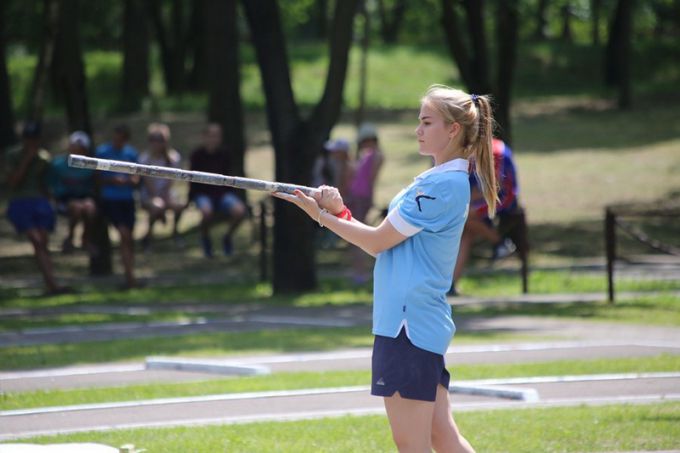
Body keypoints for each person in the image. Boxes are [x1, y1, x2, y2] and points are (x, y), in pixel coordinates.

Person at [274, 84, 496, 452]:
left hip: (407, 327)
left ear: (453, 129)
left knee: (412, 445)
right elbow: (387, 246)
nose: (418, 130)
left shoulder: (441, 186)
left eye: (427, 122)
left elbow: (377, 242)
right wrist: (339, 213)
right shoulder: (437, 181)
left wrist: (321, 217)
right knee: (444, 436)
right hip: (416, 322)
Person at [3, 122, 70, 294]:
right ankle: (52, 283)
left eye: (34, 139)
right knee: (37, 241)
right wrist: (26, 160)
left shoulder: (44, 158)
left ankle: (51, 283)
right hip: (20, 201)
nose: (31, 143)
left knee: (43, 243)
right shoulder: (12, 155)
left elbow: (47, 183)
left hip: (40, 202)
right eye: (28, 139)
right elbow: (13, 182)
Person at [452, 138, 519, 294]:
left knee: (465, 215)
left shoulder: (494, 150)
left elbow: (495, 186)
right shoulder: (470, 149)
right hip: (484, 197)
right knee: (466, 233)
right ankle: (451, 284)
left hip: (503, 198)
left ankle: (500, 243)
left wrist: (465, 198)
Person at [189, 123, 246, 258]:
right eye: (211, 135)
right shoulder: (196, 155)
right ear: (204, 137)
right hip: (203, 194)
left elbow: (229, 178)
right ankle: (205, 239)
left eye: (217, 136)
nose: (213, 139)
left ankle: (227, 237)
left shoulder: (225, 154)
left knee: (240, 211)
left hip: (222, 194)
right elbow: (192, 181)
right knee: (206, 212)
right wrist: (190, 198)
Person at [96, 124, 139, 289]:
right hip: (110, 199)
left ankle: (130, 275)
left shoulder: (131, 153)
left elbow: (137, 179)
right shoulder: (102, 152)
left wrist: (127, 180)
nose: (117, 141)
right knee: (124, 234)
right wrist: (112, 180)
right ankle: (129, 277)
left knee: (128, 239)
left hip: (127, 199)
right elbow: (97, 178)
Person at [346, 123, 384, 283]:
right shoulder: (368, 155)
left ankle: (361, 272)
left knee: (358, 234)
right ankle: (359, 270)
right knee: (355, 233)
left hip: (362, 196)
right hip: (357, 195)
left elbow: (371, 179)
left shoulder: (376, 156)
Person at [138, 123, 186, 250]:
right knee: (157, 206)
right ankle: (148, 237)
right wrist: (158, 199)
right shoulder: (144, 159)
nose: (157, 143)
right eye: (153, 139)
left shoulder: (173, 158)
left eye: (160, 140)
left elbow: (170, 182)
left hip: (167, 194)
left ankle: (175, 232)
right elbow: (148, 183)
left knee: (180, 205)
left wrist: (165, 198)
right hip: (149, 195)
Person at [48, 131, 97, 254]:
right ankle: (70, 238)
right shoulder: (57, 165)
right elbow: (50, 185)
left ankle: (86, 239)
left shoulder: (90, 166)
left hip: (84, 197)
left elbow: (92, 187)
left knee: (90, 208)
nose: (77, 150)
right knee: (76, 207)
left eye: (80, 148)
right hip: (64, 198)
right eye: (75, 147)